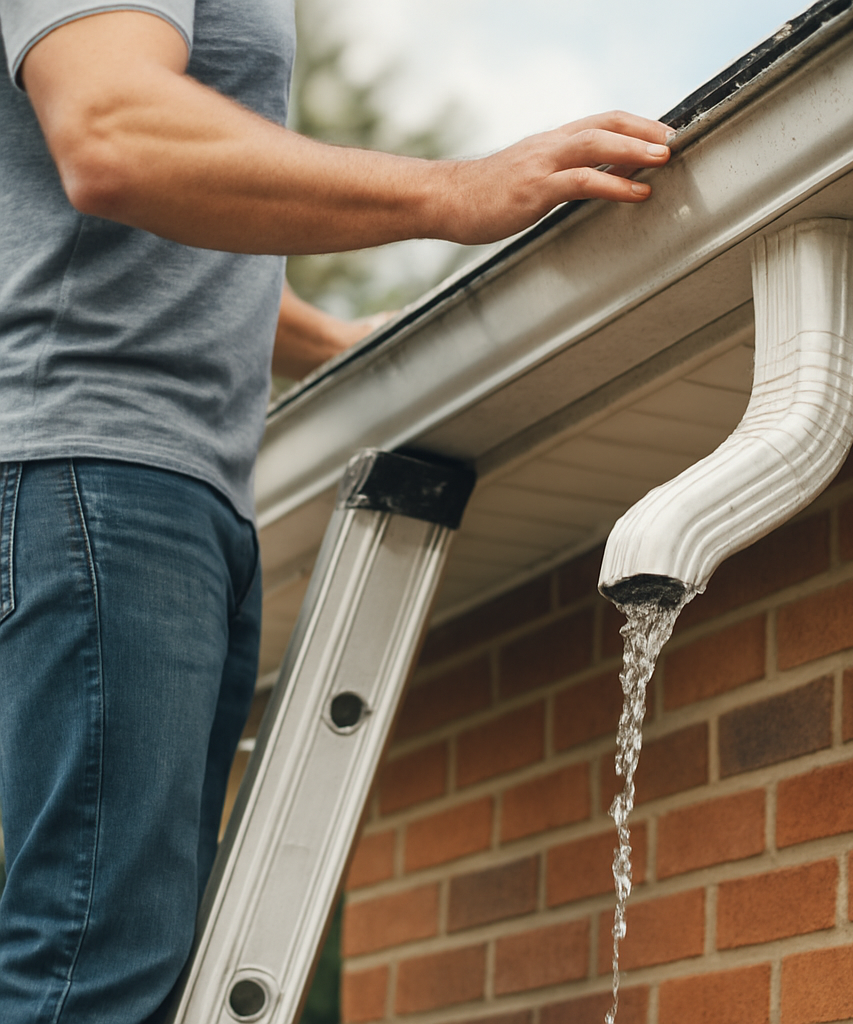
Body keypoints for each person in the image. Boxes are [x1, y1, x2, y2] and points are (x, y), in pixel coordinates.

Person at [0, 3, 673, 1021]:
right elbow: (110, 133)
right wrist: (456, 189)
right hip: (101, 464)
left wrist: (333, 339)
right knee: (93, 961)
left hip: (157, 482)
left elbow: (163, 213)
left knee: (136, 953)